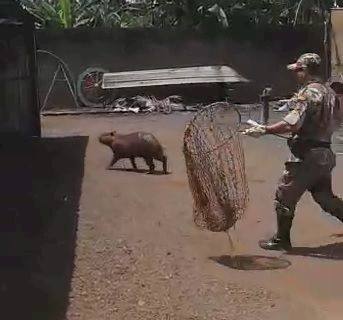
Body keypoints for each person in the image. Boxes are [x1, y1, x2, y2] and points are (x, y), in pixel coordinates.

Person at [243, 53, 343, 251]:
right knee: (324, 197)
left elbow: (293, 123)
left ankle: (282, 240)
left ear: (306, 71)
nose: (296, 74)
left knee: (284, 194)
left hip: (308, 156)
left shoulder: (308, 93)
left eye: (298, 70)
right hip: (325, 154)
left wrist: (265, 129)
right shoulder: (331, 93)